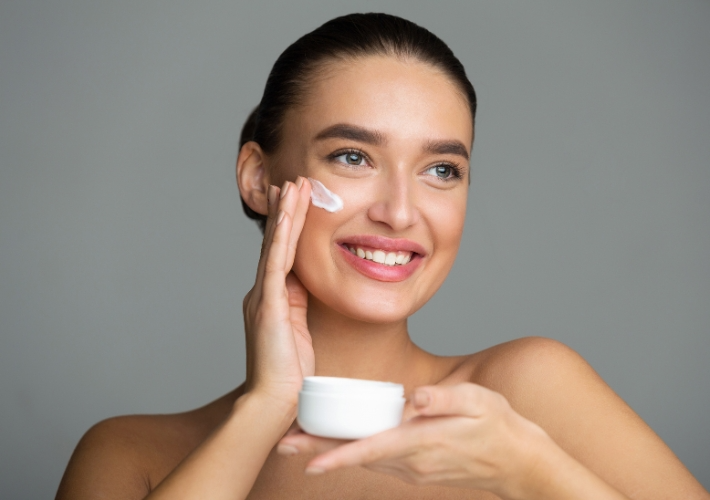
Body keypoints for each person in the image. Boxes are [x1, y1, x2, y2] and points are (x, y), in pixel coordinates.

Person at [56, 13, 709, 500]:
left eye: (442, 169)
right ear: (259, 178)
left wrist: (530, 472)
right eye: (352, 157)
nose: (400, 211)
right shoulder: (131, 455)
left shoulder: (519, 398)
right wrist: (266, 408)